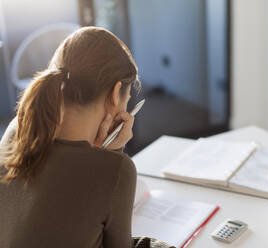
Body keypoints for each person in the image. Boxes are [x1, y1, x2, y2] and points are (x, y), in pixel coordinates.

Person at [0, 27, 174, 248]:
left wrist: (100, 153)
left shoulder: (17, 130)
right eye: (127, 99)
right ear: (115, 92)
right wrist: (111, 156)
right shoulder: (116, 169)